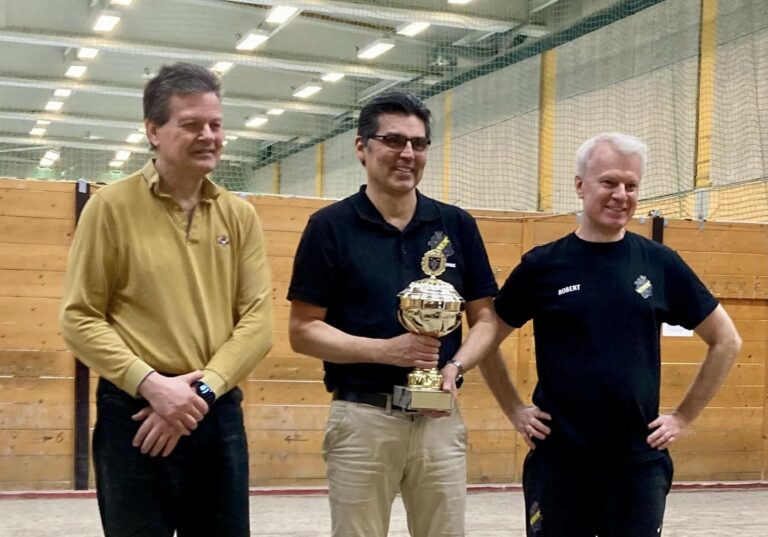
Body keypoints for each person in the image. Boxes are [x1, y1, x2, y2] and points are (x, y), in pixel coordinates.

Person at [481, 132, 742, 537]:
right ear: (580, 185)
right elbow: (485, 338)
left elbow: (727, 341)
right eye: (609, 182)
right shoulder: (543, 265)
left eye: (631, 185)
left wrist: (682, 417)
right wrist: (515, 409)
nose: (621, 195)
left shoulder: (660, 263)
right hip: (560, 463)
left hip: (638, 465)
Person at [60, 62, 273, 537]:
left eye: (216, 124)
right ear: (153, 131)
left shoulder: (240, 216)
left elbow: (258, 322)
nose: (209, 136)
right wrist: (153, 386)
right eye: (192, 124)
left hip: (215, 410)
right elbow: (79, 317)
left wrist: (199, 393)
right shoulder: (110, 208)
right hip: (135, 413)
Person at [287, 92, 498, 537]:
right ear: (361, 148)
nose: (407, 154)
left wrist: (455, 367)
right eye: (394, 141)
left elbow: (486, 320)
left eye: (418, 144)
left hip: (439, 417)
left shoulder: (456, 225)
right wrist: (385, 351)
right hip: (363, 419)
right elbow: (303, 331)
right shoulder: (329, 227)